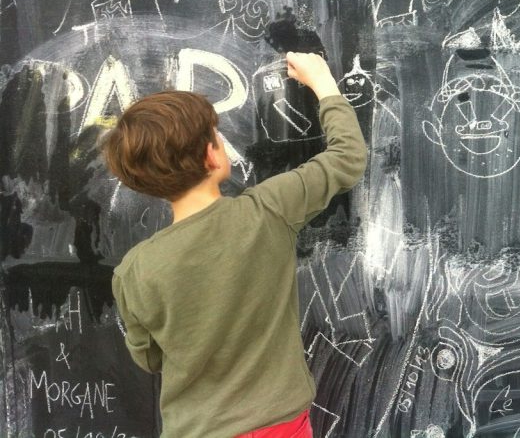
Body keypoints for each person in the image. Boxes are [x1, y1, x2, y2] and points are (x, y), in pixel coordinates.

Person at [103, 52, 367, 438]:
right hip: (278, 427)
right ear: (213, 154)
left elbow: (149, 357)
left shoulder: (134, 271)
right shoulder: (268, 210)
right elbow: (347, 158)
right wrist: (323, 82)